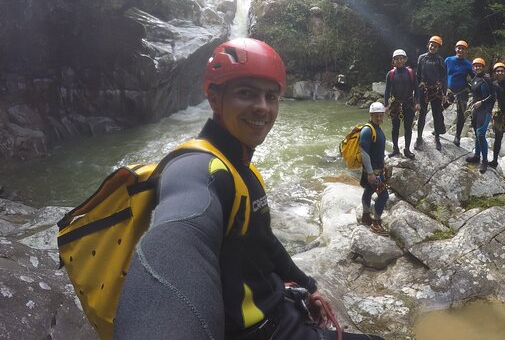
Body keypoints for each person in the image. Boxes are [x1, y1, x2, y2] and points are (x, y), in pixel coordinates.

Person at [115, 38, 384, 340]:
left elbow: (264, 242)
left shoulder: (242, 167)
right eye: (246, 93)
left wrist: (308, 286)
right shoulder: (195, 168)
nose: (262, 107)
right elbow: (175, 240)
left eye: (271, 96)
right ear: (214, 98)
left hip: (281, 313)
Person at [359, 102, 391, 236]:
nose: (379, 118)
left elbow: (377, 150)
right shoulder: (367, 130)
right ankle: (376, 224)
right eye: (376, 116)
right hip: (373, 172)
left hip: (377, 169)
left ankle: (366, 217)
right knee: (383, 196)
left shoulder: (376, 128)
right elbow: (364, 152)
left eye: (380, 115)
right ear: (371, 115)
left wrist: (383, 164)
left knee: (368, 191)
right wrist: (371, 173)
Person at [415, 35, 446, 151]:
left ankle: (437, 137)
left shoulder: (439, 60)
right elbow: (417, 76)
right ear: (428, 45)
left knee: (436, 114)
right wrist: (416, 93)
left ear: (438, 48)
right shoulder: (421, 58)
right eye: (432, 45)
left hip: (436, 90)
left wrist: (444, 93)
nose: (433, 47)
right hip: (424, 89)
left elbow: (443, 77)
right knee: (422, 114)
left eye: (435, 46)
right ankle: (419, 137)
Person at [384, 49, 417, 159]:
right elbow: (387, 91)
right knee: (395, 128)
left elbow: (417, 89)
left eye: (401, 58)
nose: (399, 61)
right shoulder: (391, 74)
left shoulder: (411, 73)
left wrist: (417, 103)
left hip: (409, 104)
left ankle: (407, 149)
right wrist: (386, 105)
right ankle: (395, 149)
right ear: (393, 61)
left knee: (408, 128)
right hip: (395, 105)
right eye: (396, 59)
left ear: (405, 60)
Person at [465, 57, 496, 173]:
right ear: (473, 67)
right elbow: (474, 93)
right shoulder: (474, 79)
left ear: (483, 67)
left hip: (485, 110)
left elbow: (493, 96)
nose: (477, 67)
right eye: (476, 66)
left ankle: (485, 162)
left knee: (481, 134)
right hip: (476, 111)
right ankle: (477, 156)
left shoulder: (487, 80)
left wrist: (481, 102)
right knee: (476, 134)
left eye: (480, 66)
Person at [443, 40, 474, 146]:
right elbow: (442, 73)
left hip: (462, 91)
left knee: (461, 114)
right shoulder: (448, 60)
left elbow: (474, 77)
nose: (460, 50)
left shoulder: (468, 64)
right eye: (459, 48)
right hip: (449, 91)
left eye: (463, 49)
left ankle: (457, 136)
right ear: (455, 49)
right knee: (440, 108)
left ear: (465, 51)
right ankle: (439, 128)